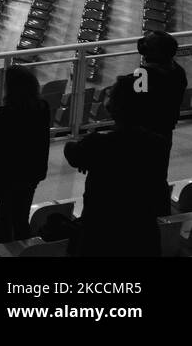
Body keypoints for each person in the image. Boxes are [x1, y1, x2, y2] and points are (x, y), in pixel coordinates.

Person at [64, 75, 168, 257]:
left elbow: (73, 153)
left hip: (101, 230)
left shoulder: (98, 143)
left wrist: (84, 147)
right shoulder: (158, 143)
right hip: (142, 230)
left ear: (114, 107)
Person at [0, 65, 50, 243]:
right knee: (21, 216)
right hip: (31, 172)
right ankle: (22, 247)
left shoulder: (6, 113)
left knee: (1, 217)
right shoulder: (43, 107)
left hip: (3, 173)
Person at [132, 30, 188, 185]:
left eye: (147, 44)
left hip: (142, 133)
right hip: (165, 130)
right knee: (158, 174)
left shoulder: (142, 74)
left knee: (138, 176)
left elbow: (135, 103)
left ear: (155, 52)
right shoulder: (178, 72)